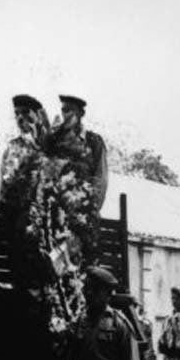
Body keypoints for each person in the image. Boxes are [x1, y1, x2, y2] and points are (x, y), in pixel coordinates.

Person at [42, 94, 108, 265]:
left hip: (83, 217)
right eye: (63, 110)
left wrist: (88, 212)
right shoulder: (55, 140)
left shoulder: (93, 142)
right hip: (57, 214)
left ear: (80, 114)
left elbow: (101, 180)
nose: (65, 115)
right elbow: (47, 174)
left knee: (81, 265)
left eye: (69, 110)